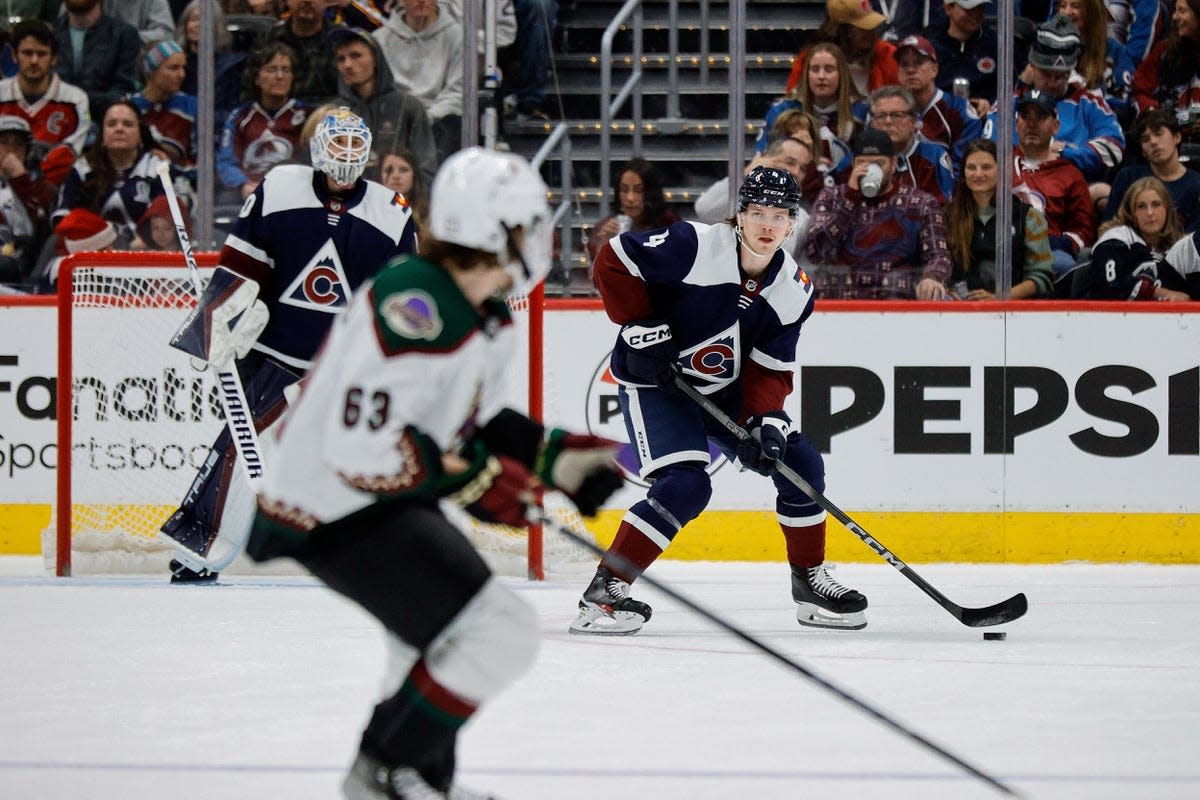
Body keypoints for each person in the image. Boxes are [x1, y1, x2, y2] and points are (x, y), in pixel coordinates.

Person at [243, 147, 623, 798]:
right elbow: (362, 448)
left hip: (377, 501)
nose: (540, 241)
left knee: (432, 638)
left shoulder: (486, 314)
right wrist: (476, 481)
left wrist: (553, 457)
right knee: (499, 631)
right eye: (529, 226)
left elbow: (472, 423)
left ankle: (414, 777)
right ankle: (381, 773)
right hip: (328, 507)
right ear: (493, 230)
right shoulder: (412, 302)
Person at [572, 165, 869, 635]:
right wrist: (641, 323)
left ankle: (809, 581)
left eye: (779, 216)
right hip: (657, 384)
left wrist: (766, 422)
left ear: (792, 224)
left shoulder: (793, 290)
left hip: (724, 390)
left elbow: (771, 368)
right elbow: (614, 259)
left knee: (799, 463)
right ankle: (605, 590)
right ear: (739, 215)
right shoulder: (693, 244)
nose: (768, 225)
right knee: (685, 485)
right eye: (758, 213)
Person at [160, 107, 418, 584]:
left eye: (354, 146)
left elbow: (397, 296)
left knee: (371, 461)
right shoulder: (280, 189)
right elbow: (244, 259)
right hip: (277, 358)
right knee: (239, 449)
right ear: (317, 148)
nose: (346, 156)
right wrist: (219, 320)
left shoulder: (391, 212)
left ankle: (384, 556)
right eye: (337, 144)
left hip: (341, 369)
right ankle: (199, 550)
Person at [804, 128, 954, 299]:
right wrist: (849, 200)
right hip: (839, 299)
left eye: (878, 164)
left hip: (896, 300)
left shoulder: (921, 203)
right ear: (853, 164)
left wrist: (932, 277)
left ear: (894, 164)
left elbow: (938, 255)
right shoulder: (831, 196)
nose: (869, 170)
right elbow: (814, 251)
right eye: (862, 163)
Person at [1005, 14, 1126, 188]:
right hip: (1019, 189)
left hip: (1074, 190)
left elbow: (1113, 146)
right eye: (1046, 74)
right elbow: (990, 150)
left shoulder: (1089, 104)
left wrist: (1065, 154)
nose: (1052, 83)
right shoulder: (1010, 103)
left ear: (1070, 72)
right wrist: (1036, 155)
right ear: (1032, 67)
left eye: (1061, 76)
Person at [945, 138, 1055, 299]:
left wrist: (1000, 298)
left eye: (986, 167)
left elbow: (1042, 276)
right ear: (963, 173)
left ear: (1001, 171)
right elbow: (939, 268)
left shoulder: (1028, 217)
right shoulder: (947, 216)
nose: (978, 174)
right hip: (958, 308)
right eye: (971, 168)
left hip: (1011, 309)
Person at [329, 25, 438, 185]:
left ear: (376, 59)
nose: (347, 65)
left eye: (356, 55)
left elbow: (425, 170)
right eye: (341, 59)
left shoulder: (408, 107)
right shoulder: (332, 113)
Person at [51, 100, 175, 237]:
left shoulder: (157, 168)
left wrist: (142, 242)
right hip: (91, 246)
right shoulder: (82, 168)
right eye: (111, 124)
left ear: (140, 133)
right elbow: (63, 217)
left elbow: (167, 223)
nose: (119, 129)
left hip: (144, 247)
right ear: (102, 133)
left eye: (128, 124)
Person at [1011, 89, 1098, 277]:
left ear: (1056, 126)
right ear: (1016, 124)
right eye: (1025, 116)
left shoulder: (1070, 175)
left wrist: (1055, 242)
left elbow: (1083, 231)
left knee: (1064, 264)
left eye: (1041, 117)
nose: (1032, 124)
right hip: (1001, 249)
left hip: (1049, 253)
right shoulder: (999, 163)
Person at [373, 0, 464, 162]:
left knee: (452, 124)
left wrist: (424, 119)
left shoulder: (459, 37)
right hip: (393, 121)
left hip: (440, 122)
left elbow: (457, 93)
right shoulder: (380, 39)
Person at [216, 42, 310, 200]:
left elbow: (315, 162)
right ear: (256, 78)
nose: (280, 76)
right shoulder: (240, 116)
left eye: (285, 70)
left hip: (294, 192)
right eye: (272, 69)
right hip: (250, 192)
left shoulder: (306, 116)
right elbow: (226, 162)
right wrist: (244, 184)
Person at [694, 134, 813, 258]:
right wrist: (746, 174)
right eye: (790, 162)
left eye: (803, 168)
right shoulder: (742, 198)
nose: (796, 172)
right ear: (767, 159)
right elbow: (703, 208)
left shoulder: (801, 218)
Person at [837, 85, 956, 203]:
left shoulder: (933, 158)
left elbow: (943, 207)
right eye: (881, 116)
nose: (888, 121)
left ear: (913, 121)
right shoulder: (855, 161)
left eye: (897, 115)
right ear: (872, 123)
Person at [1084, 175, 1193, 298]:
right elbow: (1111, 288)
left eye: (1156, 204)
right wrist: (1160, 293)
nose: (1150, 213)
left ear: (1167, 209)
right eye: (1141, 206)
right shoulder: (1115, 240)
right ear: (1131, 212)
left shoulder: (1181, 247)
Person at [758, 42, 858, 172]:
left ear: (842, 74)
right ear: (806, 74)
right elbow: (762, 158)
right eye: (815, 70)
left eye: (829, 69)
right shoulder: (783, 110)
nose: (821, 76)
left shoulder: (860, 111)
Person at [893, 34, 983, 175]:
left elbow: (964, 170)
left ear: (934, 69)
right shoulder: (887, 113)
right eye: (904, 64)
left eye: (918, 63)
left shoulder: (958, 111)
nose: (910, 70)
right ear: (898, 73)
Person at [0, 20, 91, 156]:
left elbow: (71, 154)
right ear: (14, 55)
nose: (34, 61)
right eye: (27, 53)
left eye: (41, 54)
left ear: (53, 58)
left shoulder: (76, 99)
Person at [1103, 108, 1200, 231]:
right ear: (1143, 151)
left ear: (1177, 137)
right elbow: (1108, 228)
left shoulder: (1197, 185)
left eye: (1158, 134)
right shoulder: (1128, 178)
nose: (1153, 142)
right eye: (1145, 139)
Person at [784, 0, 898, 100]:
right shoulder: (811, 60)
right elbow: (793, 103)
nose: (870, 31)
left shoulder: (887, 54)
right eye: (862, 27)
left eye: (872, 25)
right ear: (842, 30)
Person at [52, 0, 140, 122]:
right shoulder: (50, 34)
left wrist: (77, 100)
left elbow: (122, 90)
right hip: (53, 120)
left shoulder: (123, 35)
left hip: (104, 122)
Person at [0, 115, 61, 284]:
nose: (11, 150)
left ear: (27, 151)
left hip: (23, 265)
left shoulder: (41, 188)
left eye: (18, 144)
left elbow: (44, 227)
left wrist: (20, 179)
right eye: (4, 142)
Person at [175, 0, 247, 142]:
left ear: (216, 26)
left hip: (219, 135)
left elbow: (235, 112)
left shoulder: (234, 67)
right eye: (193, 19)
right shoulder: (176, 65)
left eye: (204, 19)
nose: (197, 25)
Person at [585, 157, 680, 262]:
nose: (630, 198)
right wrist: (604, 246)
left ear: (650, 193)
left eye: (638, 191)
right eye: (624, 190)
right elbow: (594, 268)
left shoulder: (669, 223)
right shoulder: (606, 228)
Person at [1132, 0, 1200, 146]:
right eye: (1175, 10)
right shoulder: (1163, 51)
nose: (1174, 16)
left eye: (1182, 11)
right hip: (1166, 143)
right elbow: (1139, 90)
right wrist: (1154, 114)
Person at [130, 40, 198, 175]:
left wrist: (170, 167)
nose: (182, 74)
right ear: (152, 71)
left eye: (183, 68)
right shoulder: (130, 108)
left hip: (180, 183)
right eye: (174, 68)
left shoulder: (192, 107)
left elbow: (202, 163)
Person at [257, 0, 339, 105]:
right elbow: (250, 90)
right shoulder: (268, 39)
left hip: (332, 111)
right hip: (280, 111)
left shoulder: (343, 40)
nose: (307, 1)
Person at [377, 145, 429, 230]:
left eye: (403, 170)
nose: (396, 176)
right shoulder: (368, 212)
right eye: (389, 170)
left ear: (414, 175)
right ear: (380, 175)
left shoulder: (430, 215)